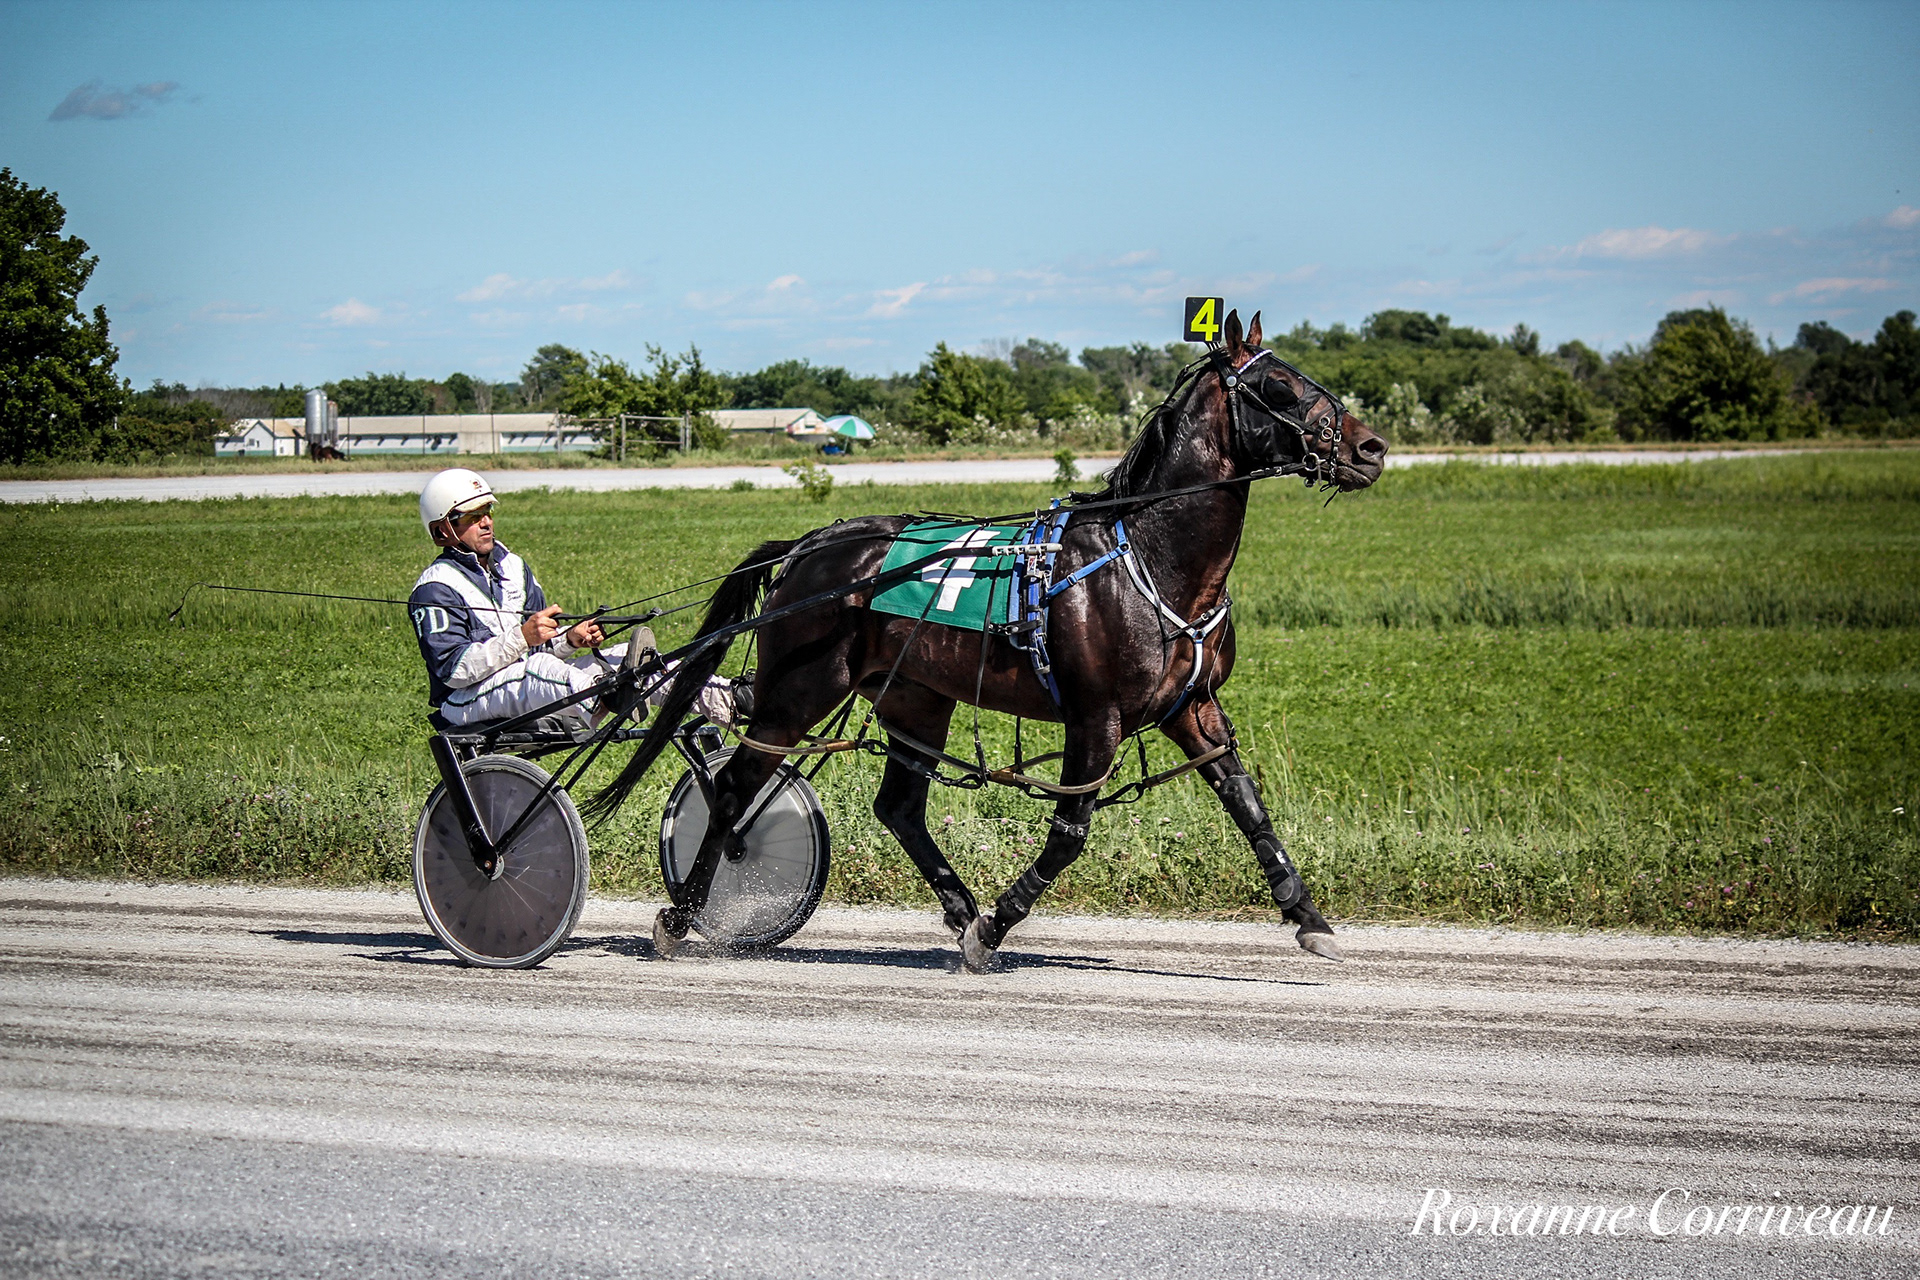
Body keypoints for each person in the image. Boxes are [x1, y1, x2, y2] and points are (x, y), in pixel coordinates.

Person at [409, 468, 738, 730]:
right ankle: (612, 694)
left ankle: (732, 701)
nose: (486, 522)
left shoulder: (514, 568)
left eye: (488, 510)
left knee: (633, 657)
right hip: (466, 699)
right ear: (441, 531)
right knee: (539, 670)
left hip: (526, 681)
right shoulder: (435, 588)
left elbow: (539, 646)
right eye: (471, 516)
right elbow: (454, 671)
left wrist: (569, 639)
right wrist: (521, 636)